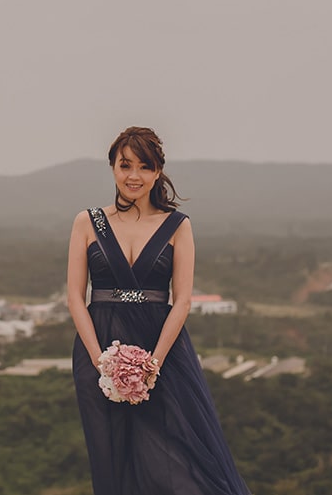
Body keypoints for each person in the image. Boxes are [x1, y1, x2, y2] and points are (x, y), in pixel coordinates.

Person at [67, 126, 250, 495]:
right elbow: (74, 295)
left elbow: (182, 300)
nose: (134, 176)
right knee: (110, 457)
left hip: (162, 352)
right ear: (113, 168)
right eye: (125, 165)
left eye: (144, 167)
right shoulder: (87, 222)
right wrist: (100, 362)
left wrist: (153, 364)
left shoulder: (177, 226)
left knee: (175, 460)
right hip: (98, 350)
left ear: (157, 172)